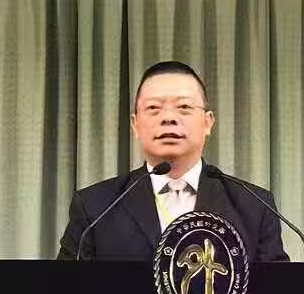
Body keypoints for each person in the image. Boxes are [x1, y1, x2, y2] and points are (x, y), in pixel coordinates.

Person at [57, 61, 289, 262]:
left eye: (184, 107)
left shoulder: (255, 206)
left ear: (208, 122)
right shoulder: (95, 207)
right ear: (135, 125)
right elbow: (65, 292)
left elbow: (278, 292)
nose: (168, 118)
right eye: (153, 108)